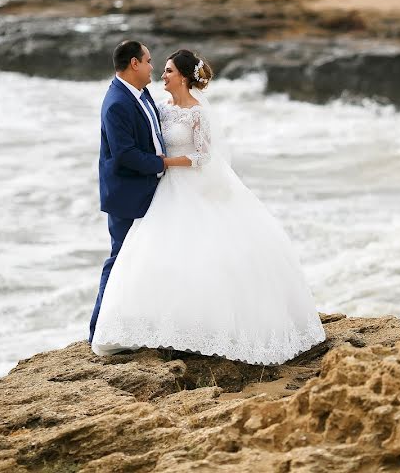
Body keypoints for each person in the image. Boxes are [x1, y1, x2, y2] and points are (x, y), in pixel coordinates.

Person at [91, 49, 326, 364]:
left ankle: (204, 325)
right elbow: (143, 140)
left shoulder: (197, 113)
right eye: (158, 67)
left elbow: (202, 155)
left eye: (169, 70)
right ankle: (156, 324)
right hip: (163, 188)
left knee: (202, 253)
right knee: (155, 253)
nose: (162, 73)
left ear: (185, 77)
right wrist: (159, 165)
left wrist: (165, 162)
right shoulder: (157, 105)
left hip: (187, 182)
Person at [89, 40, 167, 344]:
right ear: (134, 63)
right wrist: (164, 164)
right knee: (120, 259)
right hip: (126, 196)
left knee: (147, 260)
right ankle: (99, 331)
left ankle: (142, 324)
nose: (152, 66)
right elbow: (125, 155)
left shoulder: (142, 92)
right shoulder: (117, 102)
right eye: (148, 60)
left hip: (149, 191)